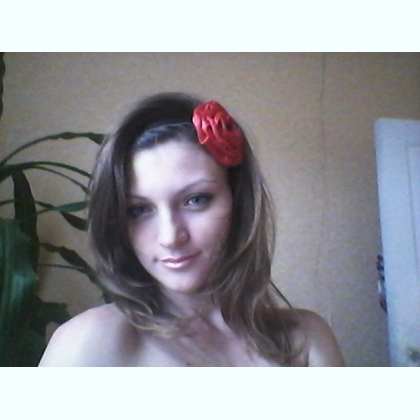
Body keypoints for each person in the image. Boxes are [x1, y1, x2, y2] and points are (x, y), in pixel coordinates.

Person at [39, 93, 344, 367]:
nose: (171, 237)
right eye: (139, 210)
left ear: (238, 200)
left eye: (196, 200)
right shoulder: (88, 344)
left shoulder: (306, 341)